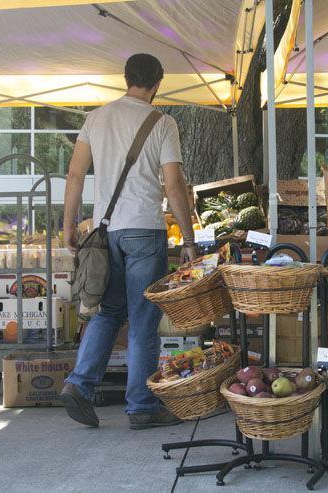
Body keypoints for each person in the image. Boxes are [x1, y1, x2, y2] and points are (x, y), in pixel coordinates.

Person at [60, 53, 197, 429]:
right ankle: (141, 407)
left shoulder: (96, 118)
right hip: (144, 232)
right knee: (142, 321)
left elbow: (74, 175)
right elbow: (173, 183)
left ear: (125, 79)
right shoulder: (163, 122)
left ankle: (79, 384)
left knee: (108, 311)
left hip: (104, 231)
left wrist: (69, 224)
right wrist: (188, 237)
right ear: (157, 84)